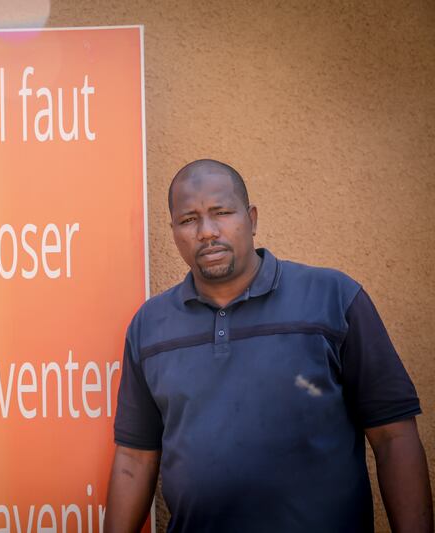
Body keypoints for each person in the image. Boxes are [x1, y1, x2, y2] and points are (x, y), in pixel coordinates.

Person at [105, 159, 432, 533]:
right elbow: (134, 460)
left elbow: (394, 437)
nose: (207, 232)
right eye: (189, 219)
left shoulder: (334, 298)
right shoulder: (150, 325)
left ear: (252, 218)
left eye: (222, 212)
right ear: (174, 231)